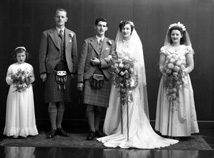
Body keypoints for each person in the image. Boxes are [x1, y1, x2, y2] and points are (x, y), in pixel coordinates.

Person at [97, 20, 178, 149]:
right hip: (119, 77)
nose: (125, 31)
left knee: (131, 103)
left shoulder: (136, 43)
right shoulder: (116, 43)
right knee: (118, 102)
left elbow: (140, 63)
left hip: (131, 78)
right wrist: (119, 69)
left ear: (131, 30)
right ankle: (117, 129)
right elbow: (114, 58)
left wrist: (129, 70)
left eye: (127, 29)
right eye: (123, 29)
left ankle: (132, 129)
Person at [155, 22, 199, 138]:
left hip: (182, 80)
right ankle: (167, 130)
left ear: (181, 36)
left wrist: (181, 73)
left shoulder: (186, 49)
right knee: (168, 103)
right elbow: (161, 66)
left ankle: (181, 132)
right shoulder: (164, 49)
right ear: (170, 35)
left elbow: (190, 66)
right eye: (173, 34)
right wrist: (167, 73)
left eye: (177, 34)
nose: (174, 37)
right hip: (168, 81)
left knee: (181, 105)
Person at [39, 8, 78, 138]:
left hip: (66, 71)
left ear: (66, 19)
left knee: (62, 101)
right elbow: (42, 54)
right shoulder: (47, 34)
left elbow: (74, 55)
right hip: (51, 70)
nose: (60, 19)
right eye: (58, 17)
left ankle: (60, 127)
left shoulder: (72, 34)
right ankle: (53, 128)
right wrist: (43, 71)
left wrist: (73, 71)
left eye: (62, 17)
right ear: (54, 18)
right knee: (52, 100)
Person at [77, 18, 116, 140]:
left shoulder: (111, 42)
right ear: (95, 27)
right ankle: (92, 130)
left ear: (107, 28)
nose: (101, 28)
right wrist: (80, 80)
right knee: (89, 106)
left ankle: (97, 129)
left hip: (104, 77)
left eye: (104, 26)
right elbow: (82, 61)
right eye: (99, 25)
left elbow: (114, 60)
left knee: (100, 106)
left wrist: (100, 62)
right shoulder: (88, 42)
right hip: (89, 76)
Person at [3, 46, 38, 138]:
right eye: (19, 56)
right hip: (15, 91)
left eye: (22, 56)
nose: (21, 58)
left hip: (26, 91)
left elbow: (33, 78)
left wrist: (27, 81)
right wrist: (13, 78)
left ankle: (26, 129)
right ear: (15, 56)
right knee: (14, 108)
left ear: (25, 56)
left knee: (25, 107)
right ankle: (13, 130)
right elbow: (7, 79)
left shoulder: (29, 66)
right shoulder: (12, 67)